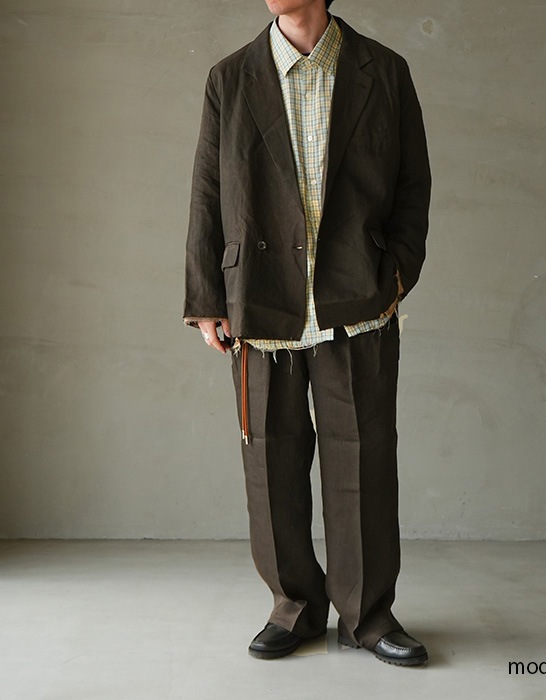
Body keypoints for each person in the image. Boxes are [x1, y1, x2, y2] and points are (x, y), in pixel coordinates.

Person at [183, 0, 431, 667]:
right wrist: (207, 298)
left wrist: (395, 274)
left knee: (364, 460)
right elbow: (207, 190)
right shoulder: (230, 77)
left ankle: (367, 616)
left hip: (357, 296)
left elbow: (413, 183)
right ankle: (293, 607)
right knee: (269, 461)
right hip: (260, 297)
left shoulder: (385, 71)